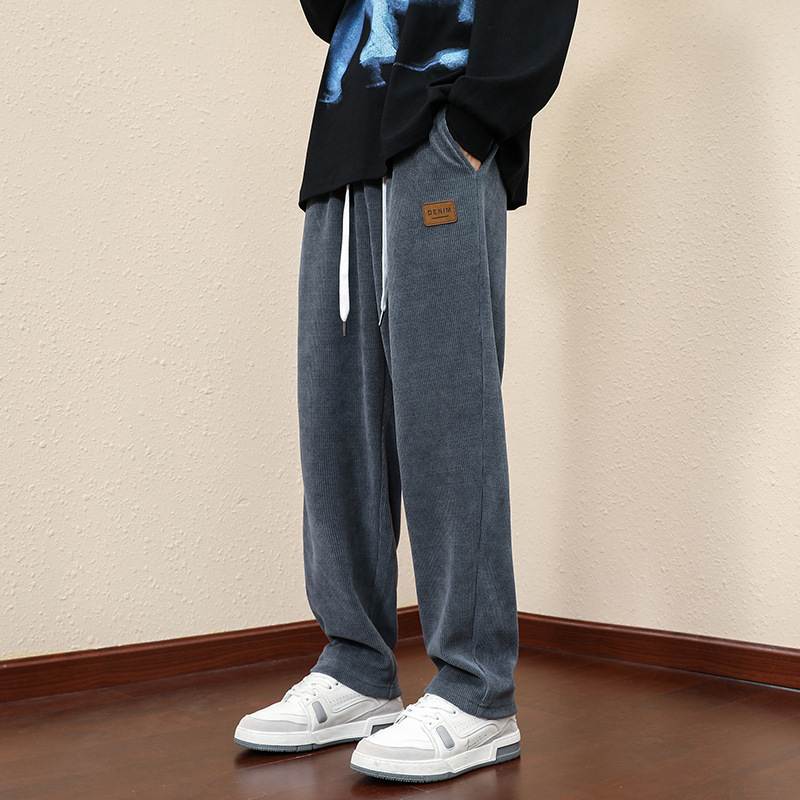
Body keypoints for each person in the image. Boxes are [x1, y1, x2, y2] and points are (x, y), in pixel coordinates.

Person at [234, 0, 579, 784]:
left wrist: (473, 127)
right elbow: (330, 13)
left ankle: (477, 689)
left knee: (448, 416)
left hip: (440, 139)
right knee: (335, 421)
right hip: (344, 147)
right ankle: (356, 665)